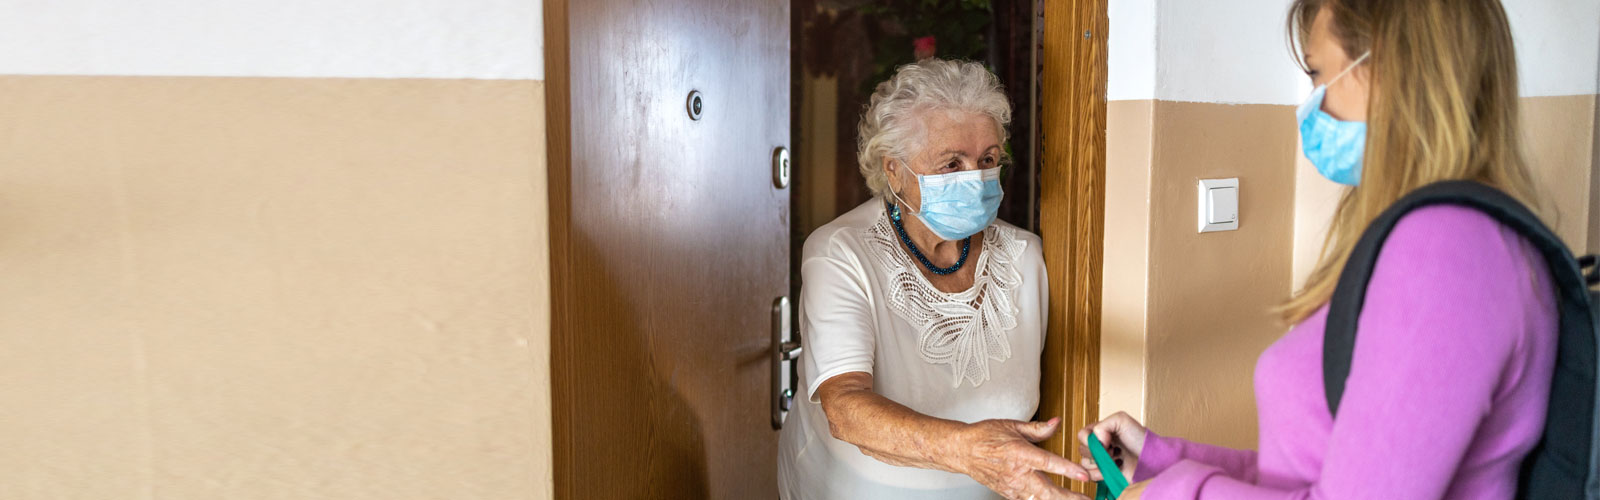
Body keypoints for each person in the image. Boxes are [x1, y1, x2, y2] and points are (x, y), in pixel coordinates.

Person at [1075, 1, 1557, 498]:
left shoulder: (1448, 252)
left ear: (1389, 67)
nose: (1310, 103)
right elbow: (1320, 471)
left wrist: (1173, 494)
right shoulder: (1432, 238)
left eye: (1317, 72)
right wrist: (1162, 462)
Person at [777, 58, 1090, 500]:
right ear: (894, 170)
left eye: (988, 159)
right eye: (951, 163)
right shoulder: (841, 252)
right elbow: (845, 408)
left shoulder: (1027, 257)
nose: (977, 178)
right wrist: (969, 451)